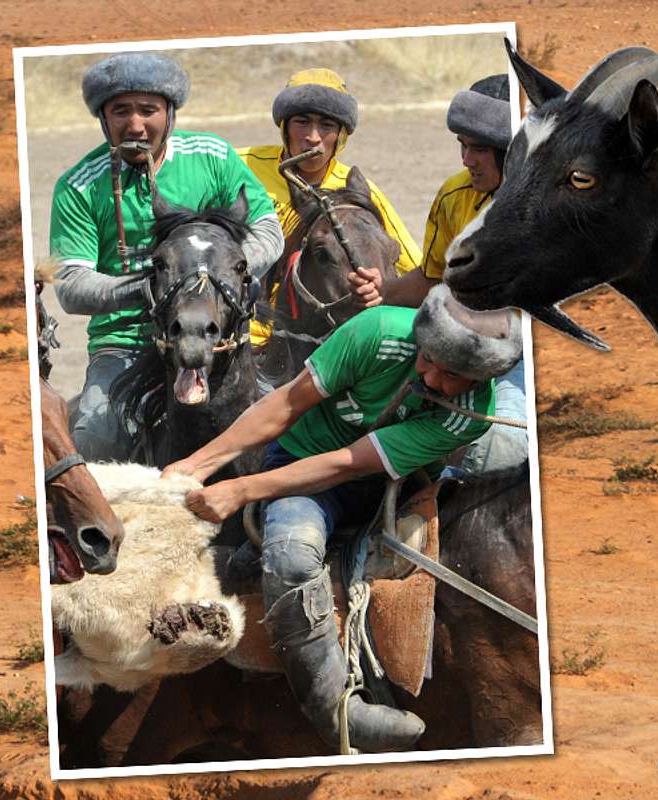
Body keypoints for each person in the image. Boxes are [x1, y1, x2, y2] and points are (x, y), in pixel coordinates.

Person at [163, 284, 523, 753]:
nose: (430, 378)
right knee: (292, 556)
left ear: (480, 379)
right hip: (300, 468)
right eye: (427, 359)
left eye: (450, 375)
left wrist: (239, 490)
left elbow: (351, 463)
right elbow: (288, 403)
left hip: (385, 480)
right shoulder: (375, 331)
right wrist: (201, 466)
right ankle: (337, 714)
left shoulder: (471, 416)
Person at [50, 52, 283, 461]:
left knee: (288, 428)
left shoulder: (213, 156)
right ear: (102, 118)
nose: (135, 124)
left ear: (170, 112)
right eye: (120, 111)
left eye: (148, 110)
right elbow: (71, 285)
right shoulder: (78, 187)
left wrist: (216, 278)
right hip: (124, 341)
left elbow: (267, 230)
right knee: (97, 439)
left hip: (221, 330)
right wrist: (156, 287)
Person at [391, 74, 528, 473]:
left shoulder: (552, 209)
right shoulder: (455, 194)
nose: (467, 160)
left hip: (517, 361)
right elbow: (430, 281)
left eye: (480, 149)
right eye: (463, 147)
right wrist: (376, 292)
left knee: (501, 445)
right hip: (456, 349)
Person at [238, 68, 423, 349]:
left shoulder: (359, 196)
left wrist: (378, 290)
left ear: (341, 136)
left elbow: (414, 268)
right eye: (302, 122)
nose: (313, 137)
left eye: (326, 125)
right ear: (285, 127)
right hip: (240, 336)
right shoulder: (240, 167)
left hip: (317, 344)